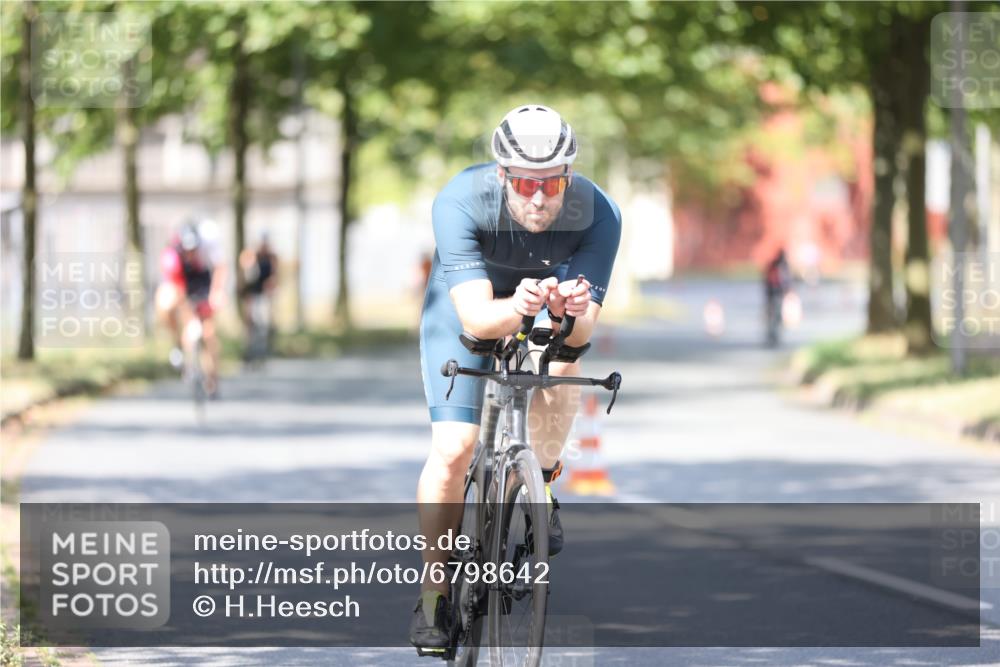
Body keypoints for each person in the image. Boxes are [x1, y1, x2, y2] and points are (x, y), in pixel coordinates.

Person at [409, 104, 622, 652]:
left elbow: (578, 335)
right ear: (503, 174)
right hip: (464, 312)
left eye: (551, 184)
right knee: (455, 448)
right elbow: (479, 319)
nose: (538, 198)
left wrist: (570, 310)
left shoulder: (600, 214)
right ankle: (435, 587)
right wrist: (522, 307)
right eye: (526, 182)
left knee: (565, 363)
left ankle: (541, 483)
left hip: (537, 306)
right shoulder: (460, 200)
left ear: (567, 177)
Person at [156, 218, 226, 396]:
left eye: (194, 249)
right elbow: (178, 290)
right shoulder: (172, 258)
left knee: (209, 334)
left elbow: (220, 268)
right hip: (184, 287)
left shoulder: (209, 247)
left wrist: (216, 293)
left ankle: (213, 379)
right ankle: (182, 352)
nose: (191, 253)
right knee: (167, 304)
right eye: (187, 250)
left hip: (204, 283)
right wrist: (189, 315)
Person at [239, 232, 279, 355]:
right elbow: (244, 271)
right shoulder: (253, 256)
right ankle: (249, 349)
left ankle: (263, 350)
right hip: (252, 294)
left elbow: (275, 276)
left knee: (264, 323)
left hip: (264, 295)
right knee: (250, 323)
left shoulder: (271, 257)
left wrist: (271, 286)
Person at [764, 247, 791, 345]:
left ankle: (773, 334)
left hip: (774, 293)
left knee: (774, 314)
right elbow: (784, 280)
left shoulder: (777, 265)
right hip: (775, 293)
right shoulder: (779, 265)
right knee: (775, 314)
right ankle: (772, 334)